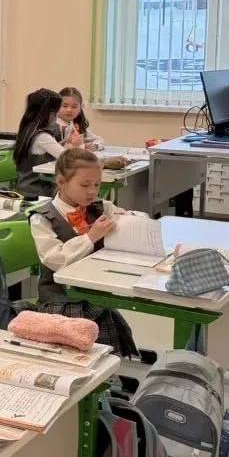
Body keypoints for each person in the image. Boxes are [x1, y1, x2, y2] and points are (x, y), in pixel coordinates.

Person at [28, 148, 140, 358]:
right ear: (61, 182)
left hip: (93, 292)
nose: (92, 192)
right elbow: (55, 259)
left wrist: (129, 219)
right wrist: (91, 237)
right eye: (85, 185)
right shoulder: (42, 218)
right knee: (91, 333)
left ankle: (112, 366)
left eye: (97, 185)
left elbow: (129, 216)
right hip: (61, 300)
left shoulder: (99, 207)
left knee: (109, 328)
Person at [12, 88, 66, 197]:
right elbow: (68, 157)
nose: (56, 119)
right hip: (35, 190)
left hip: (26, 187)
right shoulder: (42, 136)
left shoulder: (29, 130)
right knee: (71, 192)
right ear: (48, 114)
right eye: (56, 114)